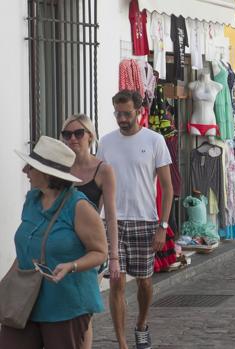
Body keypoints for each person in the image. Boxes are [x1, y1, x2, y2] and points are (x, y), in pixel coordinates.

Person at [0, 136, 107, 348]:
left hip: (65, 305)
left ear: (47, 174)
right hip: (24, 300)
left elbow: (100, 251)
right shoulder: (32, 200)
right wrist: (7, 285)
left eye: (30, 167)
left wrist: (72, 265)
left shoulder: (79, 207)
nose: (24, 171)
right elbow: (27, 247)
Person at [97, 90, 173, 349]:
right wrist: (96, 220)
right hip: (113, 221)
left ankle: (141, 323)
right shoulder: (105, 142)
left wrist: (162, 226)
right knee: (116, 282)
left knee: (145, 282)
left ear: (139, 111)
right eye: (118, 113)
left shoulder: (155, 141)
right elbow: (98, 186)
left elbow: (168, 187)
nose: (121, 119)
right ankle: (122, 343)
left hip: (144, 220)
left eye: (127, 113)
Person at [60, 114, 121, 349]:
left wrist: (113, 257)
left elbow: (112, 216)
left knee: (84, 310)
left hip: (90, 249)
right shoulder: (59, 168)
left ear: (90, 136)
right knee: (63, 308)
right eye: (67, 134)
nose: (72, 139)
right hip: (61, 246)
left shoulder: (103, 170)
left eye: (78, 133)